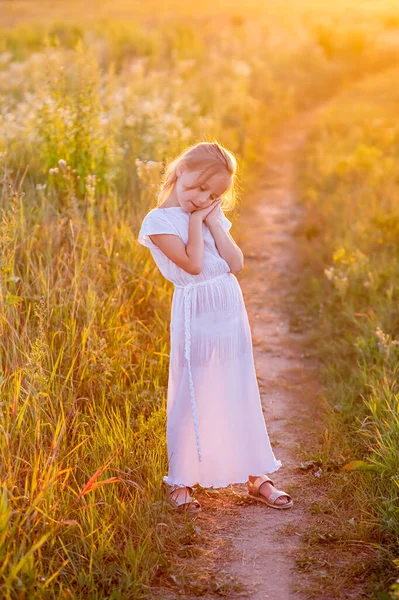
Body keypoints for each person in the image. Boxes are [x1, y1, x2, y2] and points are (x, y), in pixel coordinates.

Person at [137, 141, 293, 513]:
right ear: (179, 171)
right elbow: (192, 265)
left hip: (227, 304)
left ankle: (257, 475)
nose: (203, 197)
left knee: (238, 385)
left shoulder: (210, 215)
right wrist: (195, 220)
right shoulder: (158, 221)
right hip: (195, 310)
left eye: (214, 194)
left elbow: (235, 262)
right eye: (199, 187)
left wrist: (211, 221)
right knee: (194, 389)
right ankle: (182, 479)